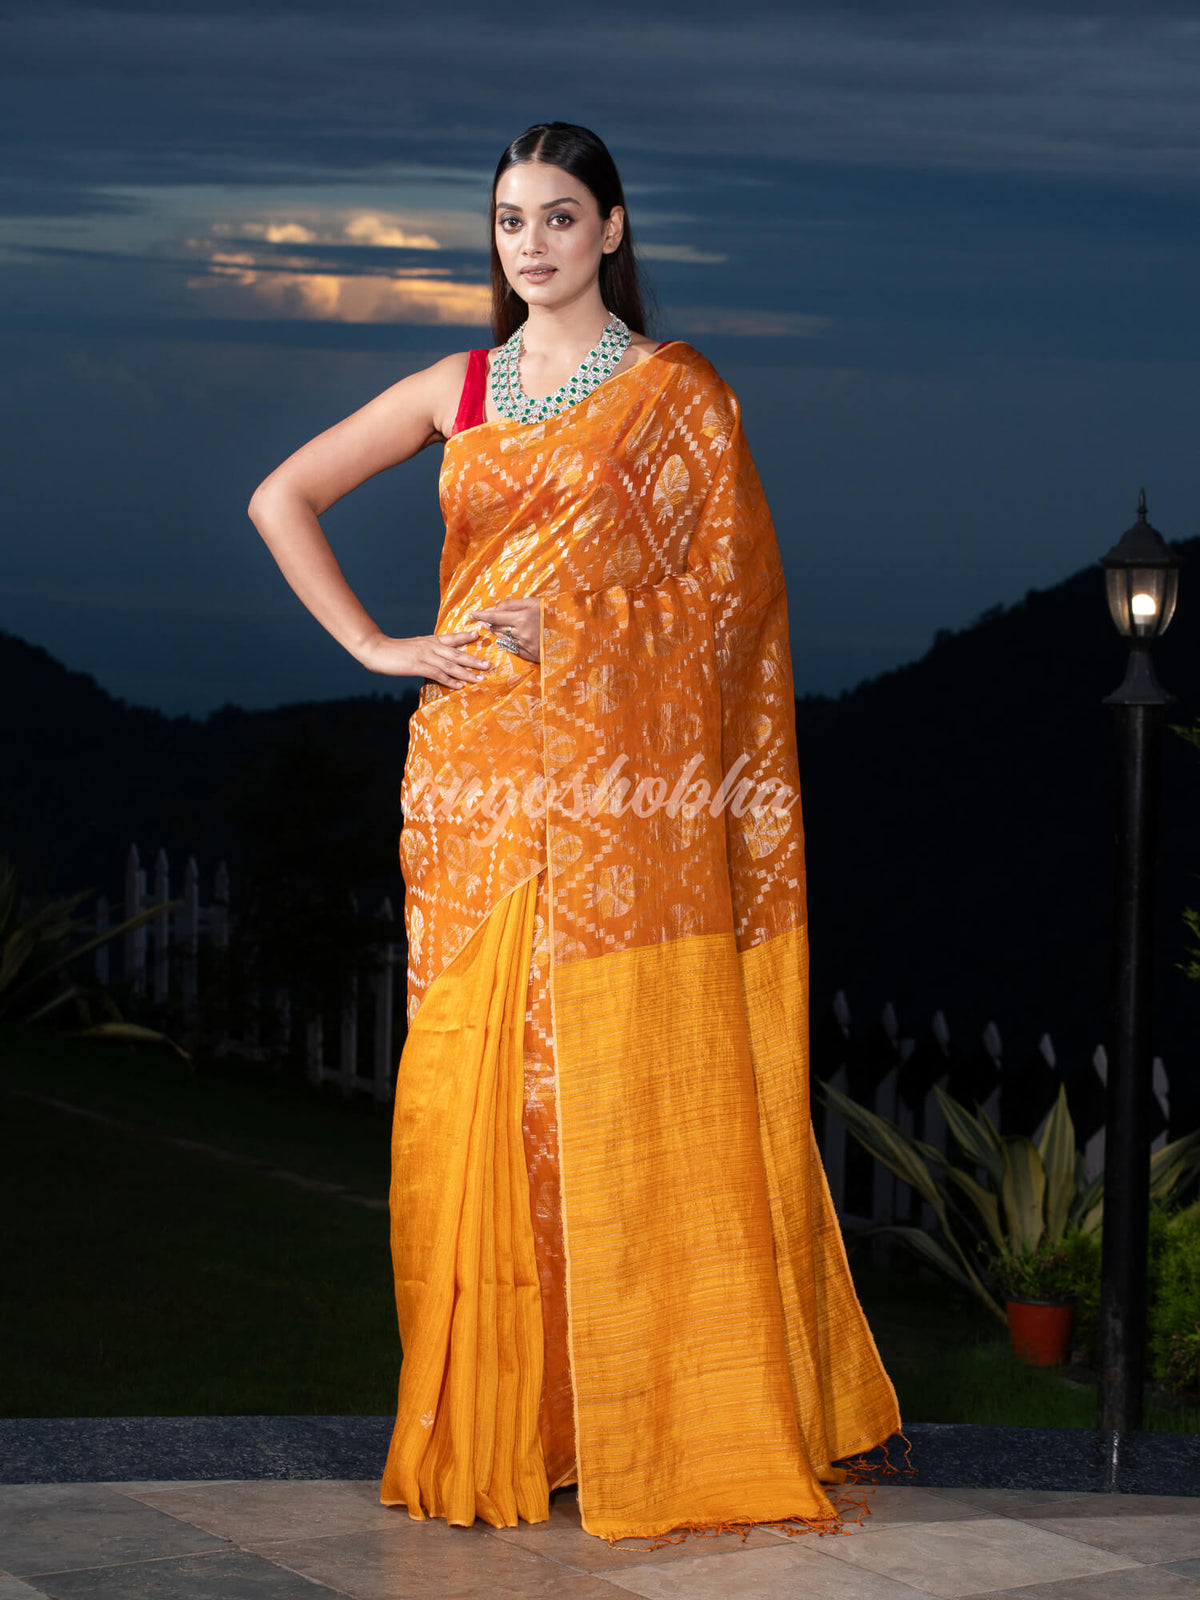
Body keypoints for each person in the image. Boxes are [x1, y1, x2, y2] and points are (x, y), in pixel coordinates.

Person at [248, 120, 903, 1545]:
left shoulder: (677, 394)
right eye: (509, 220)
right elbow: (279, 497)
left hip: (614, 799)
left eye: (557, 216)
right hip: (469, 784)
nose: (530, 244)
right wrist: (376, 644)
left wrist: (587, 632)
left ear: (611, 228)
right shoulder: (458, 386)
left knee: (584, 1090)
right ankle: (508, 1420)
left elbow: (734, 605)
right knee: (471, 1097)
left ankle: (631, 1419)